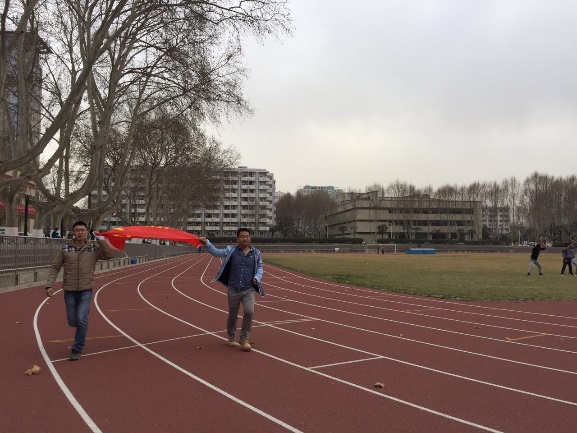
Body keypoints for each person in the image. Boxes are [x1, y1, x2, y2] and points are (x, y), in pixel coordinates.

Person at [44, 221, 114, 360]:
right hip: (69, 289)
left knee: (82, 319)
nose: (80, 232)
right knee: (72, 321)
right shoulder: (65, 248)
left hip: (86, 289)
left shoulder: (93, 249)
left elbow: (109, 255)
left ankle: (77, 349)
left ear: (87, 232)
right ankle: (79, 328)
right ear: (73, 232)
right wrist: (49, 285)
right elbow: (55, 267)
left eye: (83, 230)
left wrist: (100, 239)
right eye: (77, 230)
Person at [199, 228, 264, 352]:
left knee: (249, 312)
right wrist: (207, 242)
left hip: (248, 289)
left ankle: (244, 339)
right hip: (234, 288)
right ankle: (231, 336)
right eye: (242, 236)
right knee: (233, 314)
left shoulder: (256, 253)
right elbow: (216, 252)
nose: (245, 238)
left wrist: (257, 277)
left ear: (250, 238)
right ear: (237, 239)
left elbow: (260, 266)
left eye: (247, 236)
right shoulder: (231, 250)